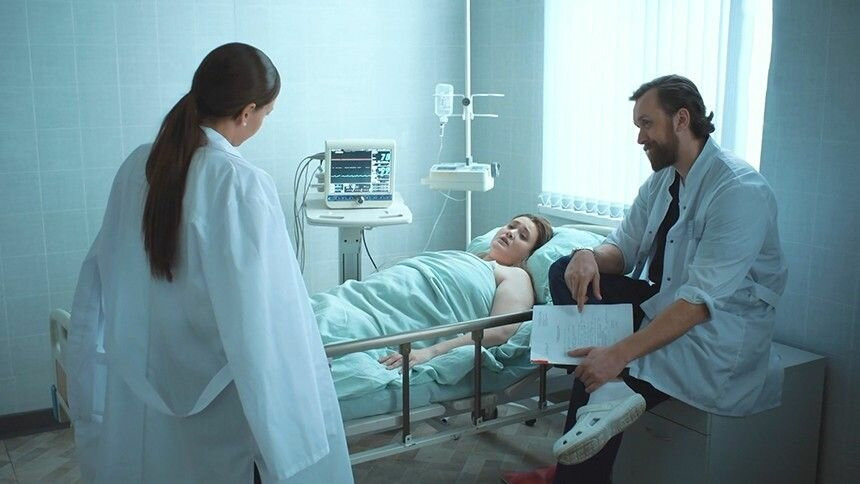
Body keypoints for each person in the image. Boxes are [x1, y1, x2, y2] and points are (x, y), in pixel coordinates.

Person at [66, 43, 353, 483]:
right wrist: (294, 433)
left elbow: (99, 274)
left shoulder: (139, 166)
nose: (262, 123)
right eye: (266, 114)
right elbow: (267, 320)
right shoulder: (239, 183)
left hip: (145, 382)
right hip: (220, 401)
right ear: (246, 112)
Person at [504, 75, 786, 484]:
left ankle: (573, 470)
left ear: (681, 120)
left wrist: (617, 355)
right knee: (564, 269)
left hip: (715, 334)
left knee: (600, 367)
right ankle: (605, 402)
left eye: (646, 124)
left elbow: (698, 303)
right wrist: (587, 255)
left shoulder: (738, 190)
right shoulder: (663, 181)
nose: (639, 138)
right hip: (665, 304)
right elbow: (622, 251)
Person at [375, 213, 553, 369]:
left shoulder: (516, 276)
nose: (511, 233)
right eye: (511, 226)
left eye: (523, 236)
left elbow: (500, 331)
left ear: (529, 254)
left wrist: (429, 352)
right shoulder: (467, 258)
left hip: (404, 314)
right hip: (384, 292)